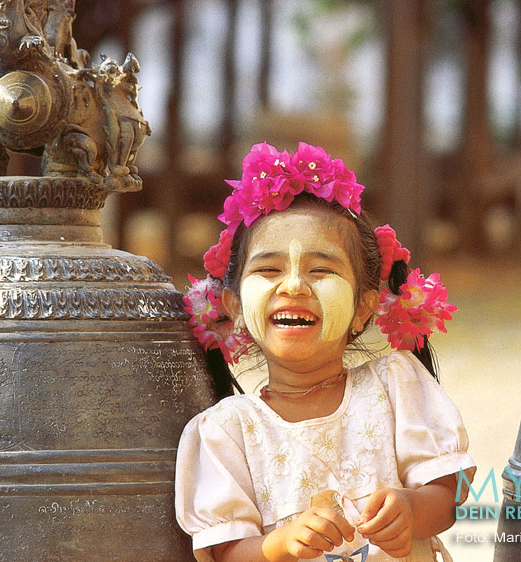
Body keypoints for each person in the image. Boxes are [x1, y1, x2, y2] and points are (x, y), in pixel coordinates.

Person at [175, 142, 476, 562]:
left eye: (321, 270)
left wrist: (410, 509)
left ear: (363, 308)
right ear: (235, 308)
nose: (294, 286)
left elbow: (450, 492)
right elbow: (224, 552)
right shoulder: (227, 431)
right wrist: (280, 543)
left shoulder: (395, 386)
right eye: (268, 269)